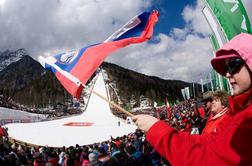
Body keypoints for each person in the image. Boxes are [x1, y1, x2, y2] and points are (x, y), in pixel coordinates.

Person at [132, 33, 252, 165]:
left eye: (233, 65)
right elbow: (208, 141)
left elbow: (207, 160)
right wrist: (161, 129)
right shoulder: (238, 110)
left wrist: (157, 131)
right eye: (226, 68)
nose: (228, 74)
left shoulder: (248, 118)